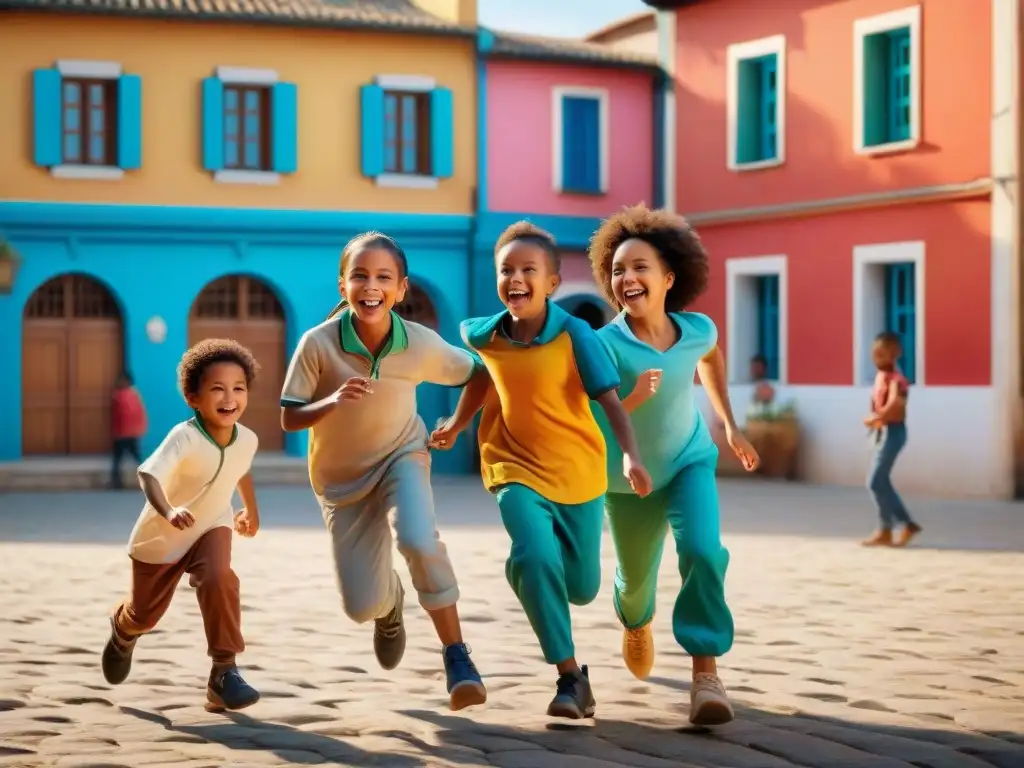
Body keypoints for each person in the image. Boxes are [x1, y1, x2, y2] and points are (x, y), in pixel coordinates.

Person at [429, 221, 653, 720]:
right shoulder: (487, 334)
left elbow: (611, 402)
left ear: (552, 282)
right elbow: (484, 376)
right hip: (512, 463)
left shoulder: (575, 334)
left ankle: (529, 570)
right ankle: (571, 677)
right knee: (534, 554)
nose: (515, 278)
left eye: (528, 270)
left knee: (580, 586)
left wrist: (631, 456)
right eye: (506, 269)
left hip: (579, 471)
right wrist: (458, 425)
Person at [279, 232, 487, 711]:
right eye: (360, 275)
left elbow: (479, 374)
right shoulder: (317, 343)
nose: (370, 286)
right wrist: (331, 400)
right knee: (360, 607)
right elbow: (289, 415)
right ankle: (389, 603)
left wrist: (456, 426)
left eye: (383, 278)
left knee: (417, 538)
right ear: (342, 285)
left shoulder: (418, 342)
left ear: (401, 289)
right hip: (341, 482)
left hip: (402, 455)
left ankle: (456, 655)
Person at [587, 204, 760, 726]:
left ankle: (705, 674)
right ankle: (635, 622)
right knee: (635, 583)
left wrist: (728, 422)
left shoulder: (697, 329)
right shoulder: (603, 345)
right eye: (618, 270)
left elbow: (709, 356)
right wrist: (634, 396)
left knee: (704, 552)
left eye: (640, 267)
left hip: (689, 461)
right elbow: (596, 413)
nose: (627, 277)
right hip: (627, 481)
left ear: (668, 278)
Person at [101, 339, 263, 713]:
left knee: (221, 576)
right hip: (163, 537)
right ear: (194, 397)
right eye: (217, 389)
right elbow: (149, 475)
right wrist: (169, 511)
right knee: (145, 615)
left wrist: (250, 510)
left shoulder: (248, 438)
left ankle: (224, 673)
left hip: (212, 525)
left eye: (239, 388)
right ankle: (123, 630)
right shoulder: (184, 436)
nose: (230, 397)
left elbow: (242, 470)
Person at [861, 331, 922, 548]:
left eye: (882, 354)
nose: (877, 359)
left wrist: (878, 417)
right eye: (875, 354)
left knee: (875, 481)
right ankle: (885, 530)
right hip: (882, 433)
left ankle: (906, 523)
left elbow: (896, 403)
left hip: (894, 433)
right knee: (880, 482)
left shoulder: (898, 379)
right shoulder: (880, 377)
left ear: (894, 354)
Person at [110, 372, 147, 489]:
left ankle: (116, 482)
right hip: (130, 433)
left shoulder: (120, 396)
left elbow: (122, 416)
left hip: (123, 434)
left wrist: (118, 433)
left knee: (119, 459)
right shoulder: (134, 395)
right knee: (132, 458)